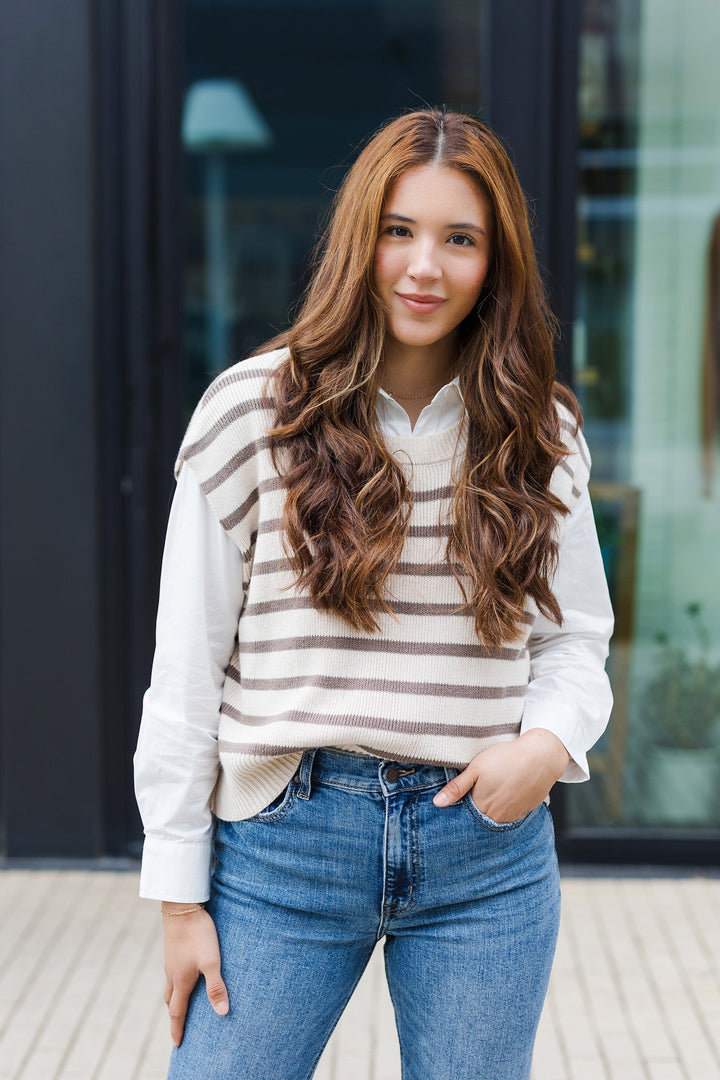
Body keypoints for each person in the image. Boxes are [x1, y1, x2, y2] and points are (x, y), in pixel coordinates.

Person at [134, 108, 613, 1080]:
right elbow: (187, 668)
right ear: (361, 239)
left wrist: (547, 746)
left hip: (486, 854)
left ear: (497, 260)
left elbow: (578, 638)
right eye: (399, 230)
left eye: (460, 239)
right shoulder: (251, 411)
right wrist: (179, 901)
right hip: (283, 849)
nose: (423, 266)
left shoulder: (539, 432)